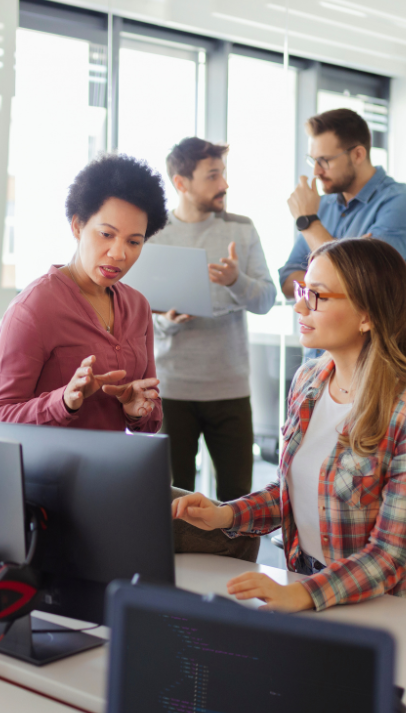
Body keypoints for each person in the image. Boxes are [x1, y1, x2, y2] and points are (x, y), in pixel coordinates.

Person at [173, 237, 406, 611]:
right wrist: (223, 514)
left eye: (317, 295)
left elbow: (391, 555)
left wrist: (302, 594)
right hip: (312, 588)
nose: (299, 305)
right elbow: (293, 491)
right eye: (303, 289)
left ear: (367, 315)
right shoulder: (309, 380)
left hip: (393, 607)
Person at [0, 153, 167, 433]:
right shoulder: (33, 308)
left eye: (134, 241)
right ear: (77, 226)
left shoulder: (138, 306)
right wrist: (64, 402)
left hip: (113, 470)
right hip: (51, 473)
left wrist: (137, 410)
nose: (119, 254)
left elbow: (152, 420)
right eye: (106, 234)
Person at [148, 137, 277, 503]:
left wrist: (236, 281)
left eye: (223, 174)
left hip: (230, 387)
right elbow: (138, 311)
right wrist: (166, 321)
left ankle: (235, 565)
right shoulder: (154, 235)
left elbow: (266, 300)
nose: (224, 185)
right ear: (181, 183)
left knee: (237, 500)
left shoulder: (242, 229)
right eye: (213, 176)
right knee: (171, 501)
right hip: (171, 389)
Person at [278, 109, 406, 299]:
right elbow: (287, 279)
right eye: (313, 161)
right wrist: (337, 283)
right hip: (326, 328)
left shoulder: (403, 203)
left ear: (358, 155)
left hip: (379, 329)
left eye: (324, 161)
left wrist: (308, 221)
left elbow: (362, 279)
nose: (316, 172)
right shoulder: (322, 205)